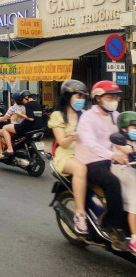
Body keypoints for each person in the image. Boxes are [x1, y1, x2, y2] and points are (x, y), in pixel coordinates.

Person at [75, 80, 127, 251]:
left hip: (113, 158)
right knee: (113, 182)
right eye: (110, 97)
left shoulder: (117, 116)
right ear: (98, 98)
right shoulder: (87, 118)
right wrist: (113, 155)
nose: (114, 100)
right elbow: (90, 144)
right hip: (92, 160)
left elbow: (125, 136)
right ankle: (114, 226)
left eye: (115, 97)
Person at [47, 79, 89, 235]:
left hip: (85, 153)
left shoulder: (85, 114)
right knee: (80, 169)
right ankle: (80, 214)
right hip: (66, 155)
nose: (81, 100)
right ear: (68, 96)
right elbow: (62, 143)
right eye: (78, 96)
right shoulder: (57, 116)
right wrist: (72, 137)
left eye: (83, 97)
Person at [110, 111, 136, 254]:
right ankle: (134, 239)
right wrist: (132, 151)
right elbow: (128, 152)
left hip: (132, 170)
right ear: (124, 129)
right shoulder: (119, 140)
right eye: (134, 127)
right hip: (121, 170)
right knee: (134, 203)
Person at [0, 90, 44, 163]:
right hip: (38, 127)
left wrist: (20, 114)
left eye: (22, 99)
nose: (22, 101)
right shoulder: (37, 104)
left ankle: (10, 149)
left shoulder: (29, 105)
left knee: (5, 128)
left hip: (27, 127)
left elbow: (31, 118)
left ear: (26, 97)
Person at [0, 92, 26, 158]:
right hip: (24, 127)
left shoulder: (13, 108)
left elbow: (4, 118)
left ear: (14, 99)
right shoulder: (25, 107)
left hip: (14, 128)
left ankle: (1, 152)